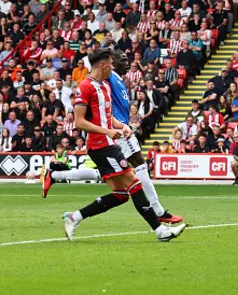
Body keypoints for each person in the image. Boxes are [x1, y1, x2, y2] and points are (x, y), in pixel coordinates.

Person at [42, 50, 183, 224]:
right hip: (113, 132)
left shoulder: (115, 80)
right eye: (122, 59)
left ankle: (55, 176)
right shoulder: (108, 76)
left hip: (120, 128)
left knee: (108, 175)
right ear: (110, 62)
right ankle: (158, 210)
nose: (127, 62)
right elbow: (91, 66)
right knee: (138, 165)